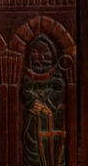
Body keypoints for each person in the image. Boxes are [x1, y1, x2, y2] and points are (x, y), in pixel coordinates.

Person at [21, 36, 66, 166]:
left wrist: (49, 104)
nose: (41, 58)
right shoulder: (28, 77)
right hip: (34, 120)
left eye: (46, 52)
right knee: (33, 150)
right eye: (35, 52)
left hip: (52, 119)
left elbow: (60, 90)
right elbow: (25, 91)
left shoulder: (57, 76)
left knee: (54, 150)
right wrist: (33, 102)